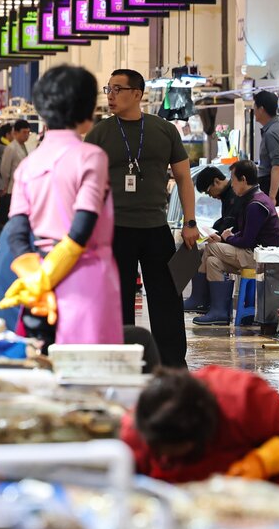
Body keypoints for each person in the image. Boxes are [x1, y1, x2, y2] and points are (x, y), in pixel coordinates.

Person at [120, 367, 279, 522]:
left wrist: (260, 463)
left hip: (260, 492)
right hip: (182, 512)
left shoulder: (242, 396)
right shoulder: (136, 432)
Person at [0, 66, 122, 346]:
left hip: (35, 283)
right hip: (86, 280)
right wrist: (50, 274)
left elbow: (16, 230)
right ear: (87, 112)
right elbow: (82, 227)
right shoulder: (91, 157)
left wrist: (37, 278)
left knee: (40, 366)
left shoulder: (29, 165)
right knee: (88, 374)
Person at [85, 68, 200, 368]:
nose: (110, 95)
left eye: (117, 89)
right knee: (116, 302)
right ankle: (119, 361)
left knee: (166, 300)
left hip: (155, 228)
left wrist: (190, 222)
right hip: (114, 230)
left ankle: (173, 364)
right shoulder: (100, 133)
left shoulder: (164, 130)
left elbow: (185, 179)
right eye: (107, 89)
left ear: (137, 94)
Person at [192, 161, 279, 326]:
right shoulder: (251, 199)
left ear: (243, 179)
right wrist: (227, 237)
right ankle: (219, 311)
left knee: (210, 247)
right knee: (213, 262)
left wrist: (227, 238)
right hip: (249, 253)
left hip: (259, 258)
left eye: (233, 180)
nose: (231, 184)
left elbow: (247, 240)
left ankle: (200, 299)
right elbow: (244, 233)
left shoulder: (256, 204)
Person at [183, 165, 246, 313]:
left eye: (208, 191)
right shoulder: (226, 197)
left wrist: (219, 236)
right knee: (210, 259)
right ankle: (213, 305)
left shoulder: (235, 195)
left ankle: (200, 300)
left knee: (208, 249)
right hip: (231, 241)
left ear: (216, 182)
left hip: (240, 245)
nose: (210, 196)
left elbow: (232, 224)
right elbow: (226, 220)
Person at [253, 89, 279, 207]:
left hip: (274, 186)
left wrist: (272, 197)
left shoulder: (272, 133)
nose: (254, 110)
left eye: (255, 107)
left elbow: (277, 166)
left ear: (261, 109)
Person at [0, 119, 33, 223]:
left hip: (23, 188)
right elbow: (4, 170)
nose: (26, 135)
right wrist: (4, 187)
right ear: (16, 133)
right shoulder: (11, 148)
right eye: (24, 132)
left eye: (28, 133)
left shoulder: (24, 147)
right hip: (11, 189)